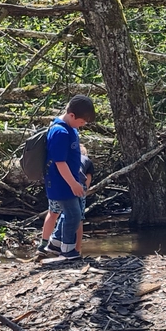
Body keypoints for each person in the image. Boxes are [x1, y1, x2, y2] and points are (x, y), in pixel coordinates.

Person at [43, 95, 95, 261]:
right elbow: (60, 162)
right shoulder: (60, 131)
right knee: (73, 215)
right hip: (62, 183)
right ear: (72, 115)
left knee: (71, 213)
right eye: (81, 122)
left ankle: (55, 243)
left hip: (69, 181)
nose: (83, 125)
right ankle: (67, 251)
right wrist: (73, 184)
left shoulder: (70, 129)